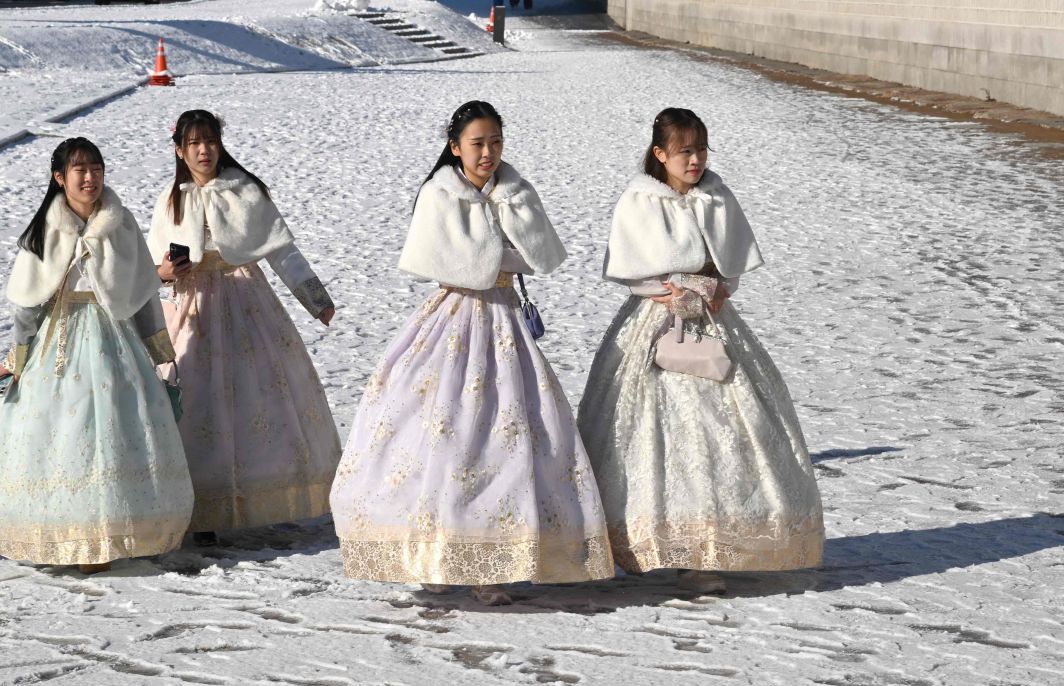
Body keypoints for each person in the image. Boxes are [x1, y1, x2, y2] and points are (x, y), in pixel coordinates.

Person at [330, 101, 613, 606]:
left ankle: (494, 564)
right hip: (455, 321)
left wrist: (500, 250)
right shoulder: (439, 194)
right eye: (477, 143)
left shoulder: (516, 193)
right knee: (442, 434)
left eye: (496, 142)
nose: (488, 153)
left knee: (511, 439)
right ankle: (437, 552)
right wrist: (497, 256)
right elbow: (449, 264)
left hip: (506, 323)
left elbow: (539, 255)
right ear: (455, 145)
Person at [577, 107, 824, 594]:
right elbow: (629, 268)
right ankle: (643, 539)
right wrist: (668, 292)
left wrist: (719, 286)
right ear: (660, 154)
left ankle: (709, 548)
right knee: (650, 432)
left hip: (713, 322)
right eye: (684, 150)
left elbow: (730, 261)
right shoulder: (641, 200)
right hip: (656, 323)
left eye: (701, 149)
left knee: (726, 431)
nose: (695, 159)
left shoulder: (716, 195)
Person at [0, 137, 193, 572]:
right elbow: (28, 303)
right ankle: (64, 531)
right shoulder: (45, 230)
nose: (90, 178)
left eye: (96, 169)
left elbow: (143, 292)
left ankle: (116, 530)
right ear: (59, 178)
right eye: (80, 171)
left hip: (114, 339)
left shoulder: (120, 222)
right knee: (60, 434)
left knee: (114, 429)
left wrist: (160, 352)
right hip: (60, 341)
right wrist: (17, 357)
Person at [148, 109, 342, 546]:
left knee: (253, 394)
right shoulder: (170, 200)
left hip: (244, 302)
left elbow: (281, 251)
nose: (204, 150)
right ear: (179, 149)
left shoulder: (244, 190)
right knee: (194, 396)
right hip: (192, 305)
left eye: (211, 140)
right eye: (194, 143)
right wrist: (164, 272)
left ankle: (253, 495)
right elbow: (152, 263)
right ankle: (199, 503)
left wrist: (316, 299)